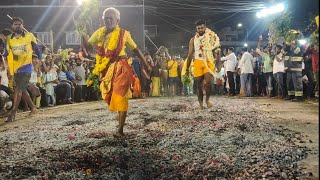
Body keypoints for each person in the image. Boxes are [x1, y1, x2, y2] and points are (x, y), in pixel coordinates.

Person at [82, 7, 151, 137]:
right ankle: (120, 121)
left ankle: (120, 130)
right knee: (110, 97)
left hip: (122, 67)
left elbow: (136, 49)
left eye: (111, 18)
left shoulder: (124, 34)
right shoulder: (99, 33)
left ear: (117, 20)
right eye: (106, 18)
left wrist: (146, 63)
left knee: (120, 96)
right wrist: (82, 33)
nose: (108, 20)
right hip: (107, 69)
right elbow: (88, 47)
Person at [4, 17, 42, 122]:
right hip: (15, 69)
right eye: (15, 24)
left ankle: (13, 113)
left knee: (18, 89)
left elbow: (36, 48)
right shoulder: (9, 38)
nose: (18, 26)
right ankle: (33, 108)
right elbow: (7, 52)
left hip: (26, 66)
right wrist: (3, 53)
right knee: (22, 89)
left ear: (22, 26)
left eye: (19, 24)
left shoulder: (29, 36)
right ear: (12, 26)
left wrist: (40, 57)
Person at [185, 19, 221, 109]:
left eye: (202, 27)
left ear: (205, 27)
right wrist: (186, 68)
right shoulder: (192, 40)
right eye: (198, 28)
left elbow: (217, 50)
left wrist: (218, 63)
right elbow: (189, 55)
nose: (200, 29)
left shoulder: (211, 36)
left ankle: (207, 100)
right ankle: (200, 104)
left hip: (208, 61)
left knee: (209, 82)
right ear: (196, 29)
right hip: (197, 62)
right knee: (198, 84)